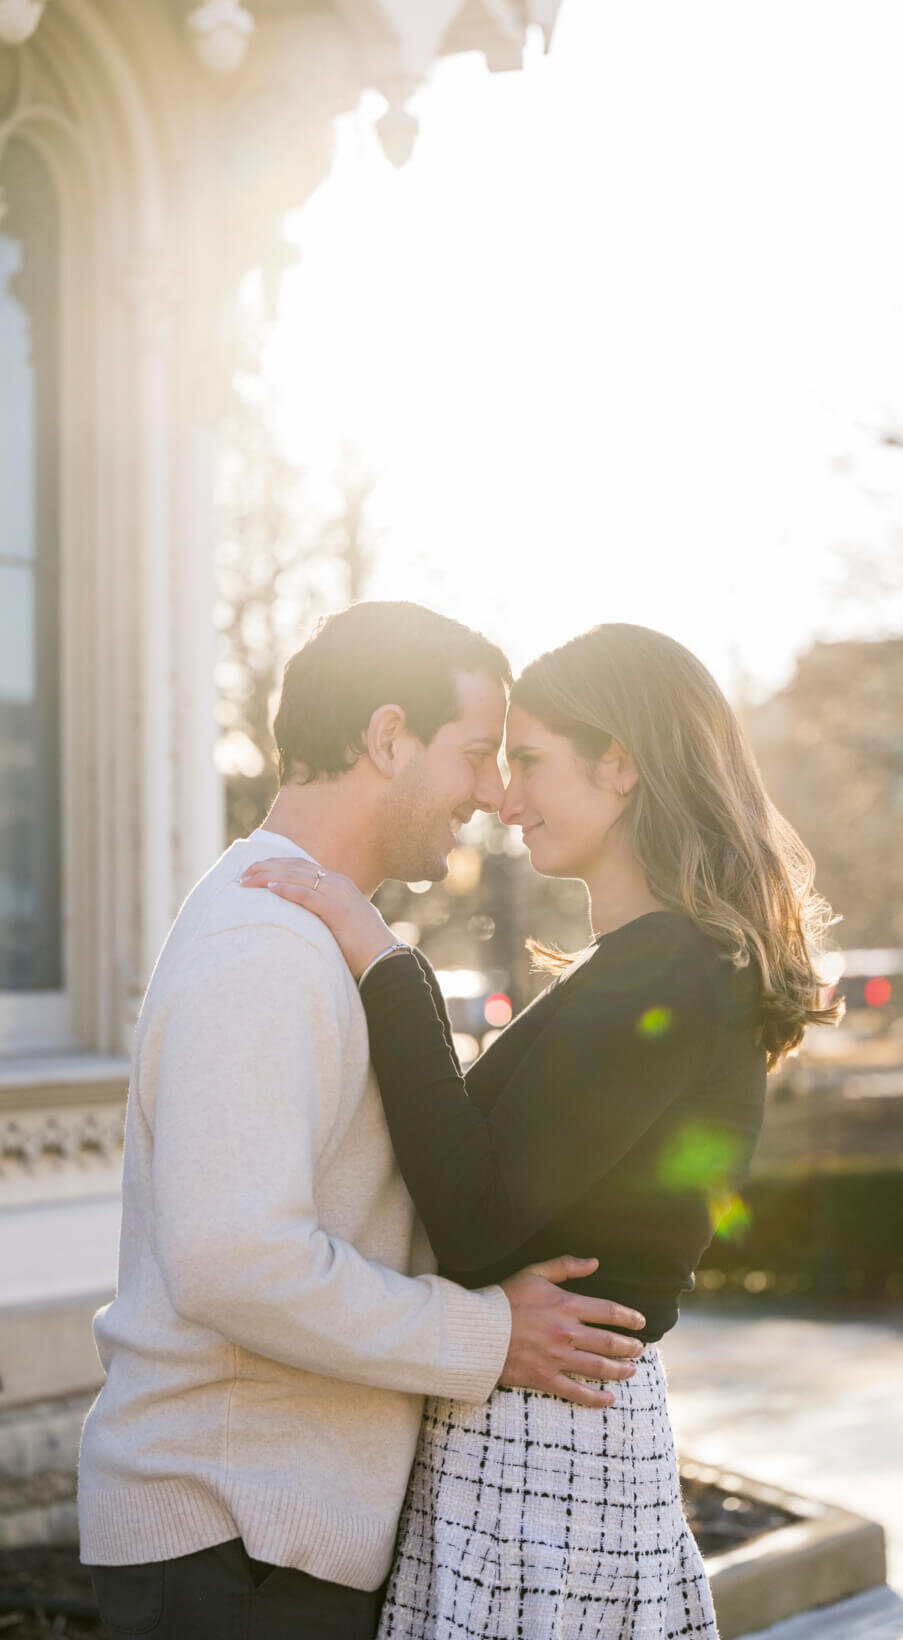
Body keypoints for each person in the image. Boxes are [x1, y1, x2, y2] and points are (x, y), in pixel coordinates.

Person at [241, 620, 841, 1640]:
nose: (503, 799)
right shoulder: (649, 965)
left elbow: (476, 1215)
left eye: (528, 761)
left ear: (622, 765)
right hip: (538, 1423)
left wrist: (387, 964)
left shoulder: (668, 969)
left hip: (548, 1441)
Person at [78, 603, 646, 1640]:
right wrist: (490, 1335)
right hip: (233, 1552)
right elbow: (235, 1258)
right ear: (388, 737)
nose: (491, 792)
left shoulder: (309, 934)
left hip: (261, 1550)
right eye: (476, 752)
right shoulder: (264, 947)